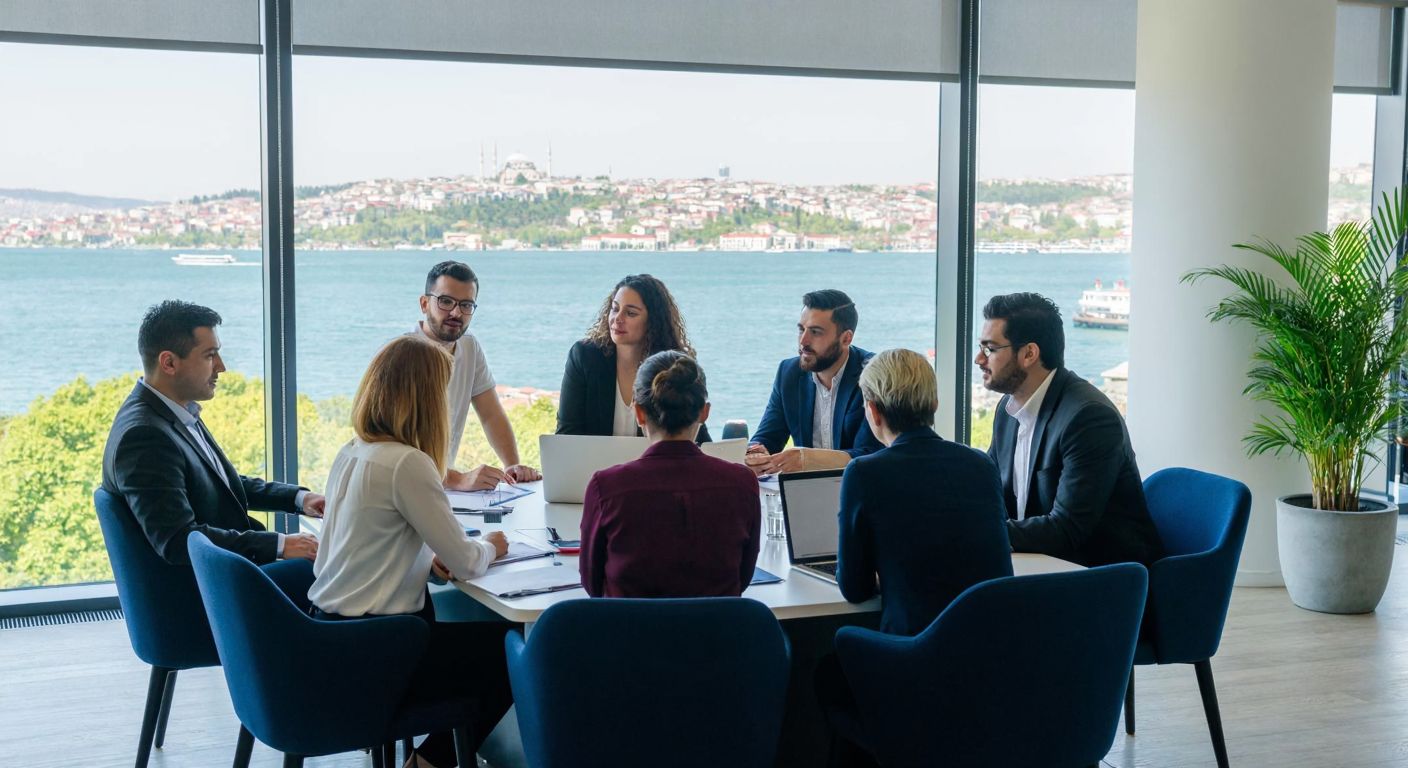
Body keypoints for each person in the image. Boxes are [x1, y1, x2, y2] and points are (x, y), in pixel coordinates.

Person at [307, 335, 514, 768]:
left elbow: (368, 544)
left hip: (332, 636)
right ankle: (427, 763)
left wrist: (424, 560)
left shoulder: (353, 450)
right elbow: (466, 562)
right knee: (510, 651)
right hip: (382, 646)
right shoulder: (407, 463)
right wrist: (491, 547)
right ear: (426, 400)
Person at [101, 300, 323, 565]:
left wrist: (300, 498)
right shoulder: (145, 437)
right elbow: (178, 540)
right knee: (334, 572)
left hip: (228, 569)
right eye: (210, 355)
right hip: (212, 581)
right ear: (169, 363)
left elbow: (218, 485)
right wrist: (281, 545)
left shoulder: (173, 411)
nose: (221, 366)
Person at [836, 348, 1013, 636]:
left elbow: (854, 588)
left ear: (874, 412)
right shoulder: (980, 464)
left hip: (914, 650)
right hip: (990, 643)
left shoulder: (864, 473)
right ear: (934, 404)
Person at [977, 292, 1163, 566]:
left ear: (1029, 354)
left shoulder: (1089, 418)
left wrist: (978, 533)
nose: (979, 359)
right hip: (1041, 560)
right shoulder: (1008, 409)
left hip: (1101, 573)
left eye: (990, 349)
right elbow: (991, 491)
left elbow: (1067, 529)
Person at [579, 351, 759, 597]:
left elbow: (592, 584)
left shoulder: (607, 488)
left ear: (639, 413)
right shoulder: (742, 484)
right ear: (704, 412)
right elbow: (743, 578)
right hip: (715, 623)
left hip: (628, 623)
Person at [413, 260, 540, 491]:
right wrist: (458, 479)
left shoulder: (469, 347)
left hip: (439, 490)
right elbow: (394, 444)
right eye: (445, 301)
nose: (456, 312)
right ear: (424, 303)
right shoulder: (401, 355)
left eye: (466, 305)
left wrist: (512, 466)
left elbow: (491, 414)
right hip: (400, 489)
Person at [556, 273, 712, 442]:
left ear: (653, 322)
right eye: (615, 309)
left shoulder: (673, 367)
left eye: (630, 313)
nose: (617, 318)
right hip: (589, 460)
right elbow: (566, 434)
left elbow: (696, 435)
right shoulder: (585, 357)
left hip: (656, 460)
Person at [746, 289, 882, 476]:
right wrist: (755, 453)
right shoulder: (789, 373)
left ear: (846, 338)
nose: (803, 341)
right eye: (801, 329)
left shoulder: (874, 375)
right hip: (805, 488)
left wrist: (808, 460)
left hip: (860, 485)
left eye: (815, 332)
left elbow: (872, 454)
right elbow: (767, 437)